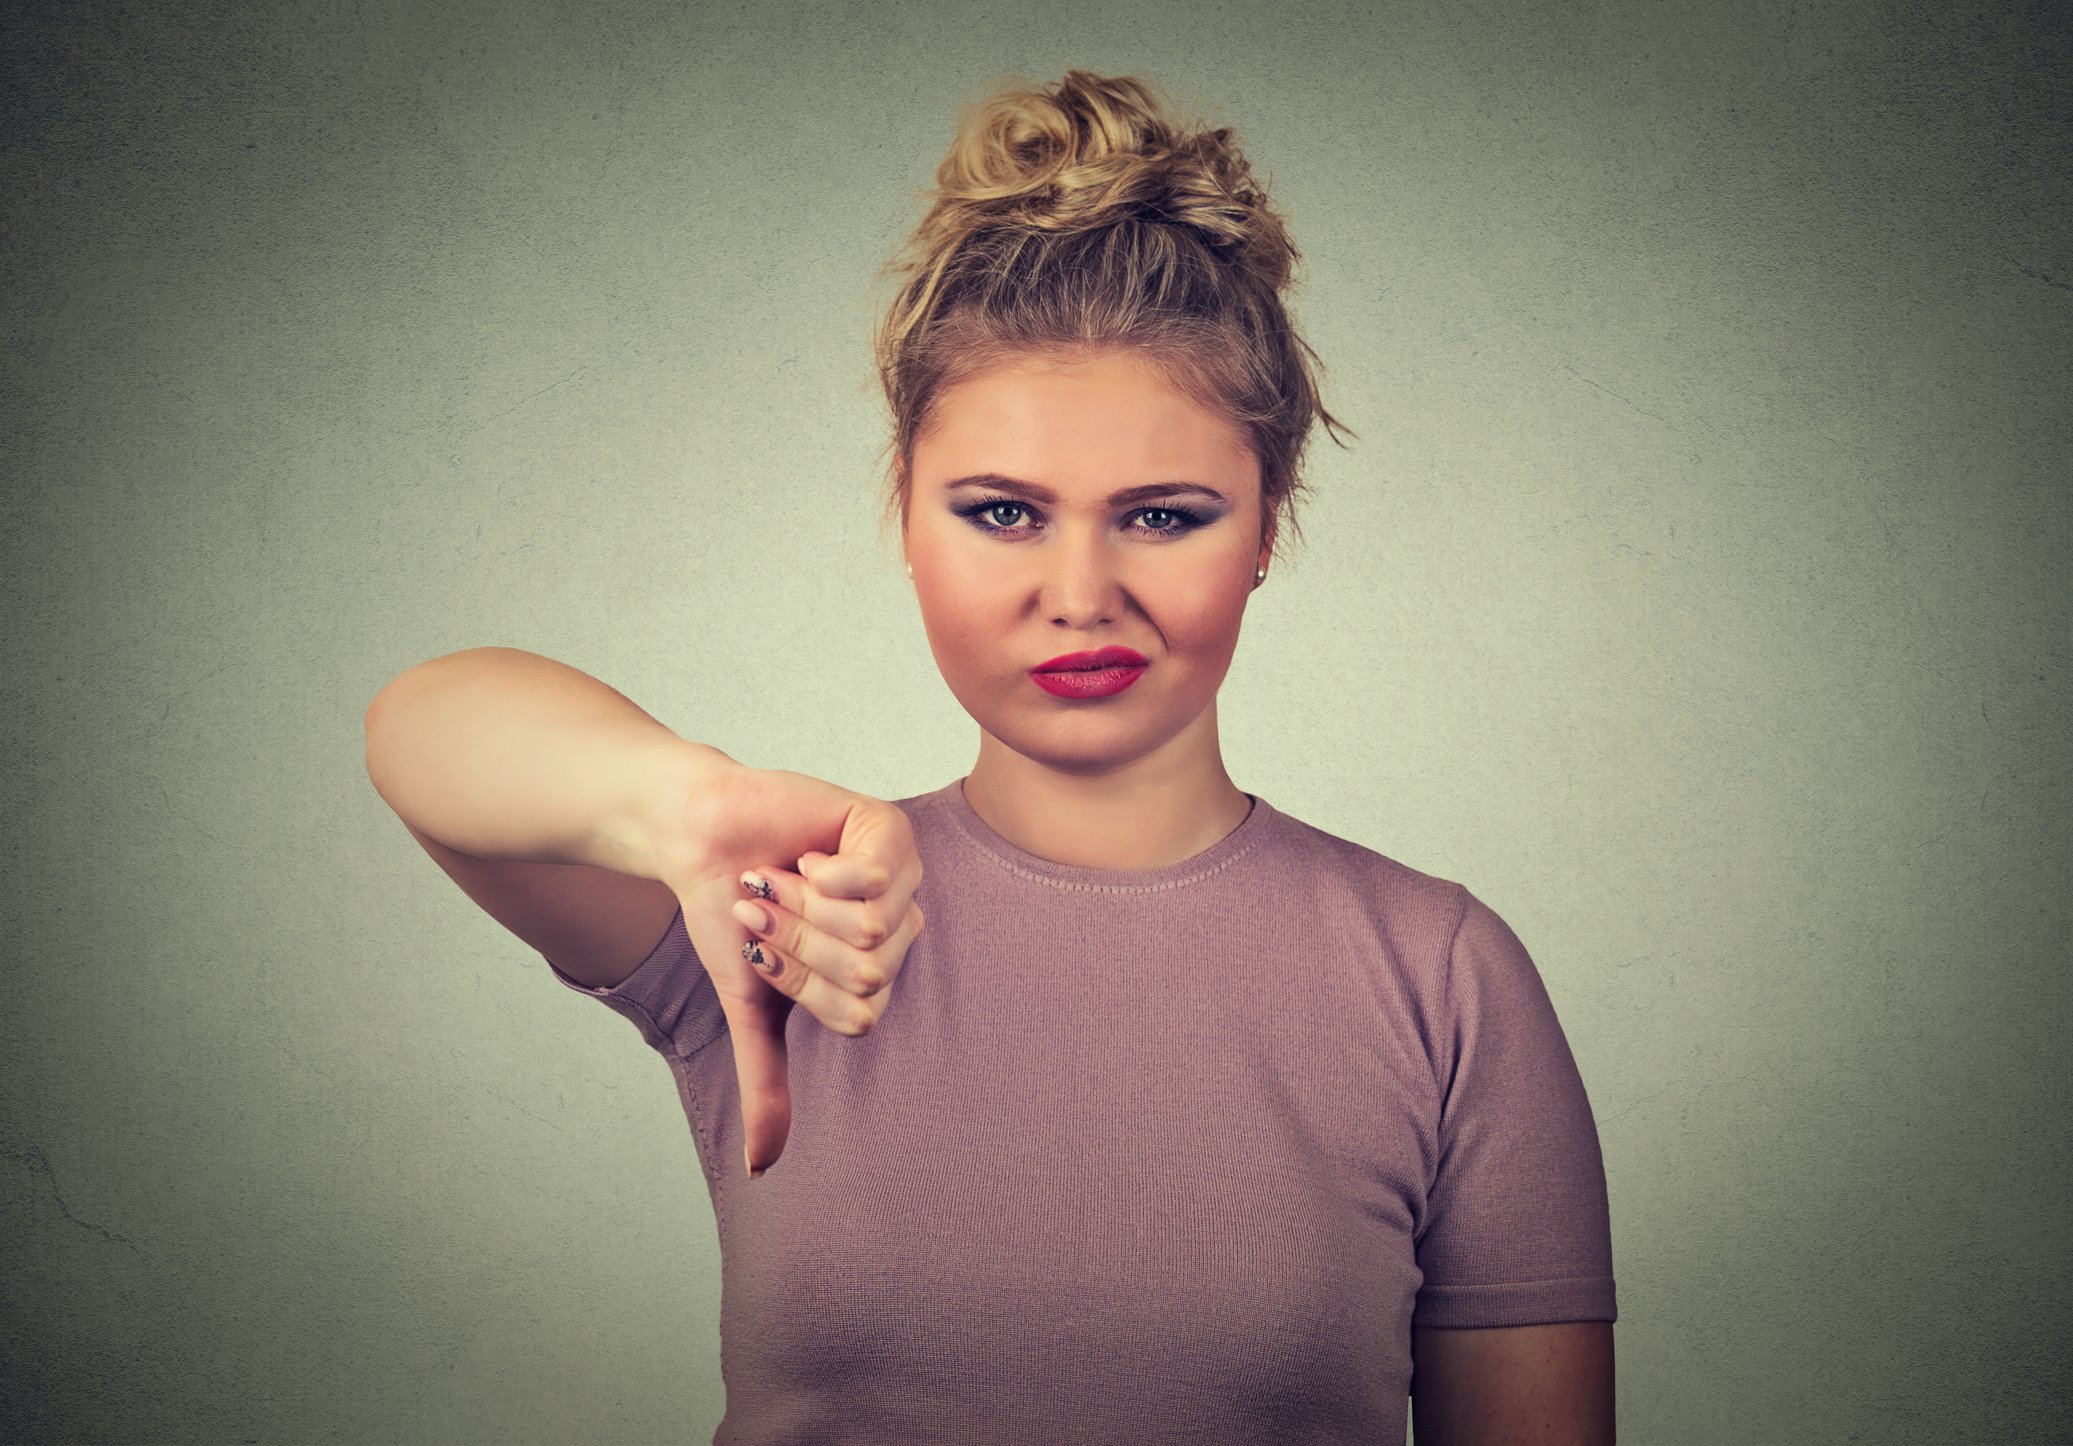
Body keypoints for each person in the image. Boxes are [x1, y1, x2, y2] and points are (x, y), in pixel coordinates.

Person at [363, 69, 1616, 1446]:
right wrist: (682, 800)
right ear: (905, 510)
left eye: (1163, 513)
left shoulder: (1438, 978)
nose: (1078, 592)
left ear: (1267, 525)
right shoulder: (787, 907)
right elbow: (420, 727)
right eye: (1004, 511)